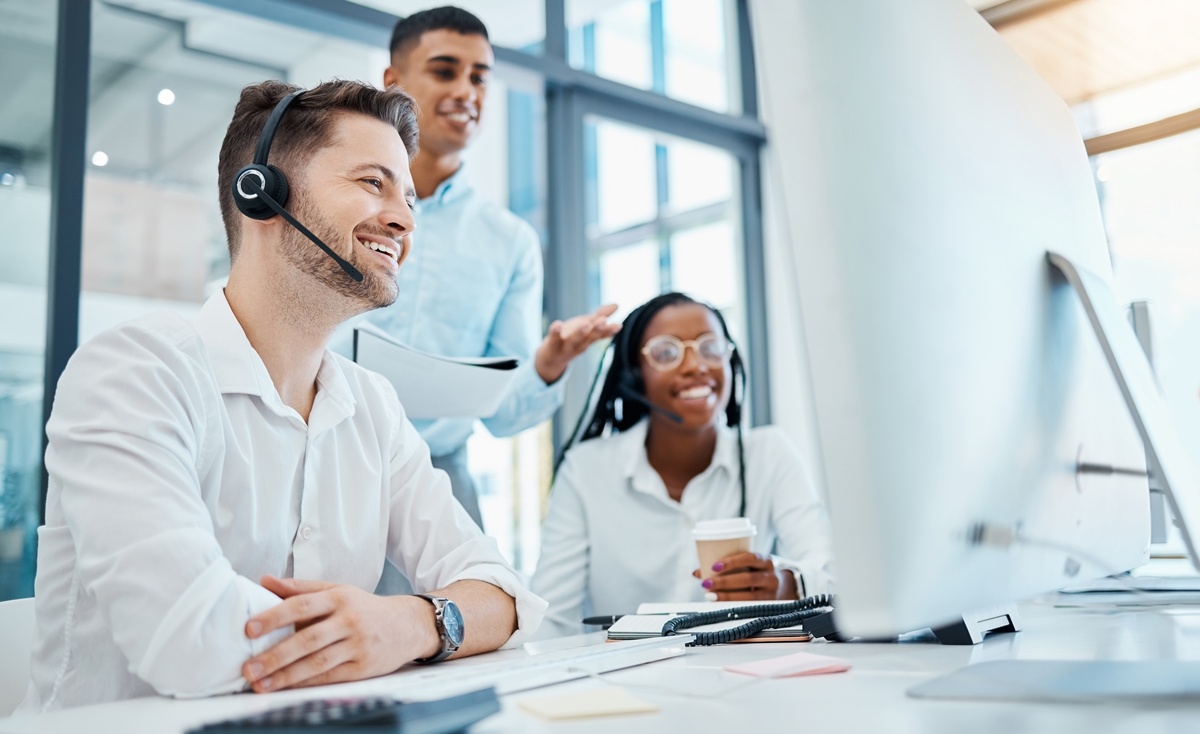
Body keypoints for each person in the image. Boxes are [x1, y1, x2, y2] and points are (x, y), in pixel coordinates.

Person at [18, 79, 545, 713]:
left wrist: (405, 624)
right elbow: (192, 640)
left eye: (408, 197)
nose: (405, 219)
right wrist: (387, 628)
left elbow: (505, 595)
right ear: (260, 193)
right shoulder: (135, 372)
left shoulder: (373, 408)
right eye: (372, 184)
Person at [332, 6, 618, 531]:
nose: (467, 90)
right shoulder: (330, 195)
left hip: (439, 483)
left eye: (479, 77)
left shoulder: (509, 242)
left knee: (469, 613)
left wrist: (549, 362)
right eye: (445, 71)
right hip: (322, 460)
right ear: (393, 83)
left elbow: (503, 414)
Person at [530, 293, 834, 638]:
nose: (695, 366)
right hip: (625, 677)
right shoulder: (586, 471)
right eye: (666, 353)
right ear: (634, 374)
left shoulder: (768, 454)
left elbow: (833, 573)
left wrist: (788, 584)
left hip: (739, 674)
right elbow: (551, 620)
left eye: (710, 347)